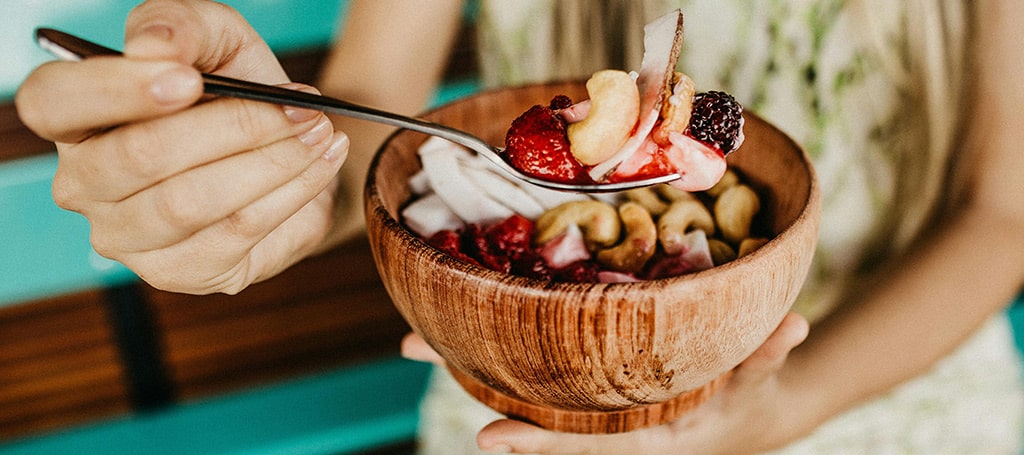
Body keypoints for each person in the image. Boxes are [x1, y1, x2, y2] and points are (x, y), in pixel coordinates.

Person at [14, 0, 1024, 453]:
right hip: (533, 384)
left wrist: (768, 412)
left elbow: (1003, 213)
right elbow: (368, 127)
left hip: (887, 369)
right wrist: (263, 173)